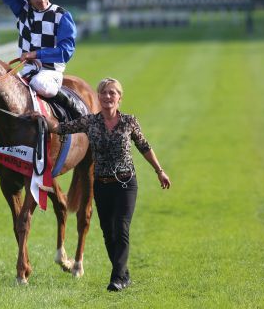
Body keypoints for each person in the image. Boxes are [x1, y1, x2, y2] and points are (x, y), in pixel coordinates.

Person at [33, 78, 171, 292]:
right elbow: (61, 128)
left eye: (112, 93)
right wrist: (40, 117)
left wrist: (159, 171)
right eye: (104, 93)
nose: (108, 97)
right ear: (98, 97)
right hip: (102, 184)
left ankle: (116, 278)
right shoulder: (90, 122)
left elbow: (144, 146)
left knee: (121, 228)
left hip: (125, 183)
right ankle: (124, 274)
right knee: (108, 232)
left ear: (119, 98)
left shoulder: (129, 122)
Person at [0, 0, 83, 118]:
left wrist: (35, 54)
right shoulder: (23, 10)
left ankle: (75, 108)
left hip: (50, 73)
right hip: (26, 71)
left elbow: (66, 52)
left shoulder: (62, 15)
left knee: (40, 85)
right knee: (1, 97)